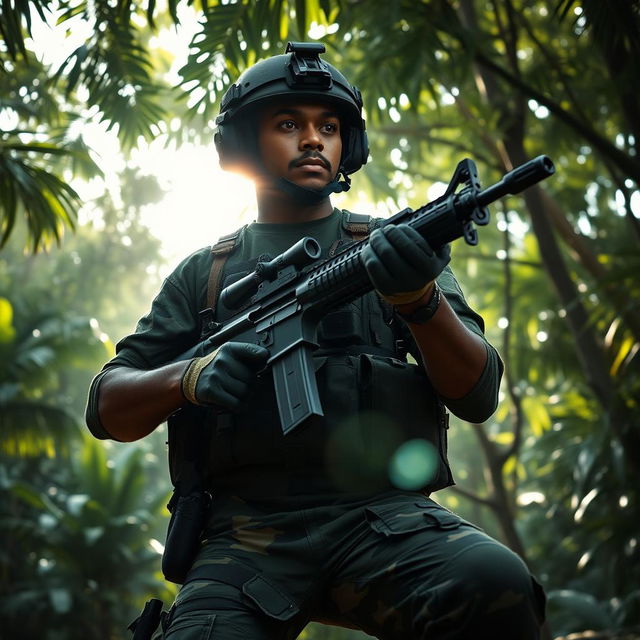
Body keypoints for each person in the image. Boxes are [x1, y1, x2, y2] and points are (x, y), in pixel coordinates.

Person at [86, 42, 545, 639]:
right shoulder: (206, 275)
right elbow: (107, 406)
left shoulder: (393, 246)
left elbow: (478, 393)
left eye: (328, 127)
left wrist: (419, 300)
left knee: (493, 581)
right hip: (245, 535)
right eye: (288, 124)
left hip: (383, 517)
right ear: (245, 144)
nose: (313, 140)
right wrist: (188, 377)